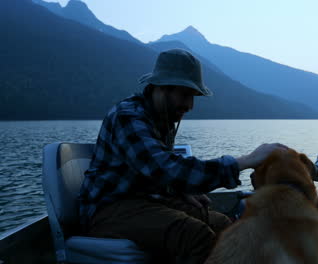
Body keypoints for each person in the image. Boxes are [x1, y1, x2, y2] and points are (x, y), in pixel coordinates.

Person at [78, 49, 288, 264]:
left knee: (224, 225)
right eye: (185, 95)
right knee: (196, 236)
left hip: (145, 201)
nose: (190, 106)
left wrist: (179, 191)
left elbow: (153, 176)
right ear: (161, 87)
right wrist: (245, 160)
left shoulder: (161, 118)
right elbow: (165, 169)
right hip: (108, 210)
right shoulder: (128, 117)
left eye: (193, 97)